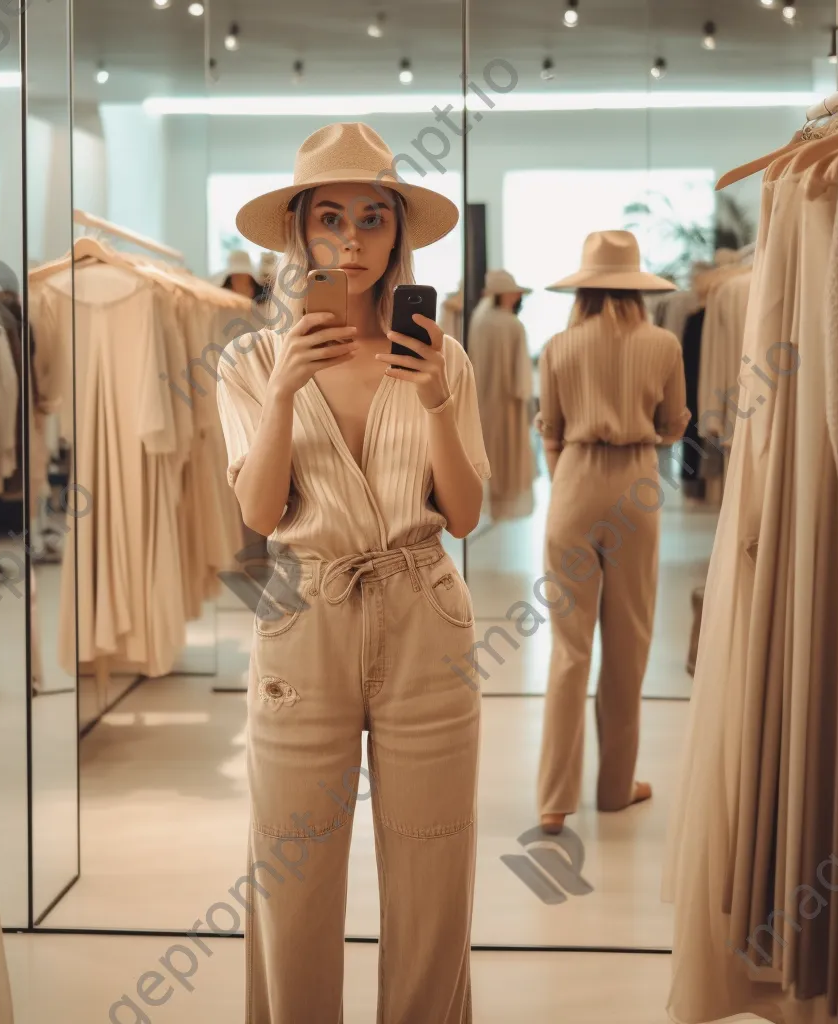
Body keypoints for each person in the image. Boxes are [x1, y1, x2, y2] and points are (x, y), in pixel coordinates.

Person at [215, 121, 489, 1023]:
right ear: (299, 235)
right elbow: (259, 515)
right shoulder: (252, 359)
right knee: (291, 866)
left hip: (424, 607)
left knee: (433, 866)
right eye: (329, 218)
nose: (351, 240)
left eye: (373, 218)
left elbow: (464, 515)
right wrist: (288, 388)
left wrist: (440, 405)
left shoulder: (441, 356)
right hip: (306, 608)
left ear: (397, 233)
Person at [535, 230, 690, 835]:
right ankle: (615, 786)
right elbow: (674, 425)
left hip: (573, 482)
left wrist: (569, 480)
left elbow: (550, 428)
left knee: (569, 650)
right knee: (628, 644)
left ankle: (553, 801)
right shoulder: (664, 343)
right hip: (635, 484)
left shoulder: (557, 346)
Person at [467, 269, 537, 520]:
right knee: (508, 453)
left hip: (483, 399)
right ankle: (504, 503)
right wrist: (526, 401)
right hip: (508, 402)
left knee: (488, 449)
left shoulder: (479, 321)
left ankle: (487, 501)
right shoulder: (512, 324)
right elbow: (522, 376)